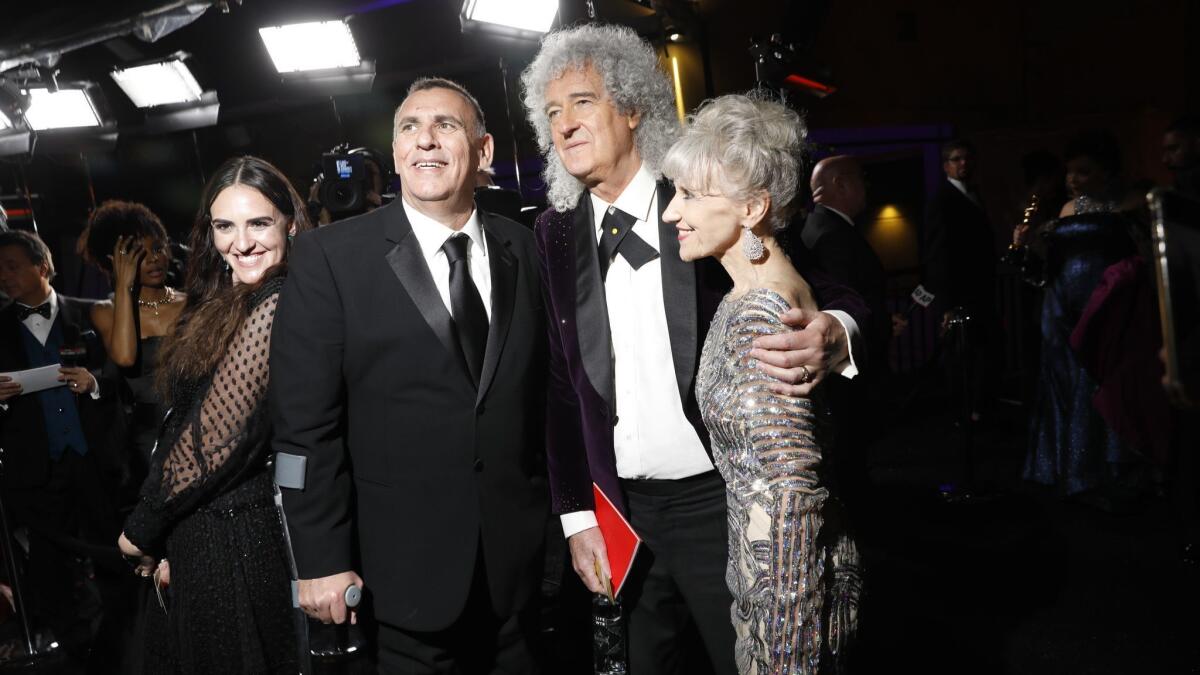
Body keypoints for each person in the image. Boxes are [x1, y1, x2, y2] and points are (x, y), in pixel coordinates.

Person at [521, 23, 868, 674]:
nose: (563, 122)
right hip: (623, 509)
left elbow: (834, 289)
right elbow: (564, 387)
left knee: (755, 656)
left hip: (723, 499)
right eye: (551, 112)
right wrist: (576, 515)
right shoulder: (554, 233)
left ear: (631, 109)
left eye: (582, 102)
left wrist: (834, 332)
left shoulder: (699, 200)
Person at [272, 77, 549, 674]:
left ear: (484, 150)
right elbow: (303, 427)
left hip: (519, 573)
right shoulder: (331, 258)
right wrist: (319, 558)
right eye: (409, 128)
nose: (425, 140)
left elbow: (547, 397)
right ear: (396, 154)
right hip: (399, 576)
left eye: (445, 126)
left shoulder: (524, 250)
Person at [661, 92, 862, 674]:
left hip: (787, 599)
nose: (673, 212)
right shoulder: (752, 295)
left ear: (752, 207)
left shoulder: (759, 313)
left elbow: (793, 497)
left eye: (691, 195)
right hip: (775, 583)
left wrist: (785, 649)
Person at [117, 155, 311, 673]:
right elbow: (182, 417)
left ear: (291, 222)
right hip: (204, 529)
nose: (240, 242)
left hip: (240, 537)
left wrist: (143, 527)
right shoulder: (224, 298)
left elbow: (218, 431)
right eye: (224, 226)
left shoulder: (278, 296)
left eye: (259, 223)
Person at [0, 229, 123, 667]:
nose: (4, 276)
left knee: (113, 553)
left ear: (43, 266)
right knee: (51, 568)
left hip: (93, 458)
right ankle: (78, 650)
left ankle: (126, 639)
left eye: (13, 266)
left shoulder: (94, 314)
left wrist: (94, 383)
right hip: (36, 467)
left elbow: (123, 376)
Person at [78, 200, 186, 489]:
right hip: (149, 439)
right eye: (140, 253)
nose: (154, 258)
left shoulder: (191, 303)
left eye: (159, 247)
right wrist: (123, 287)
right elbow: (125, 358)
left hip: (206, 421)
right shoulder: (105, 311)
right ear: (113, 261)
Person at [921, 138, 997, 420]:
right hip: (957, 293)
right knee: (959, 354)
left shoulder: (972, 193)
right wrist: (948, 302)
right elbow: (938, 254)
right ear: (945, 166)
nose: (963, 164)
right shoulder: (941, 200)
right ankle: (962, 412)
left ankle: (978, 408)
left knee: (980, 353)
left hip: (979, 290)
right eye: (956, 159)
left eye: (966, 158)